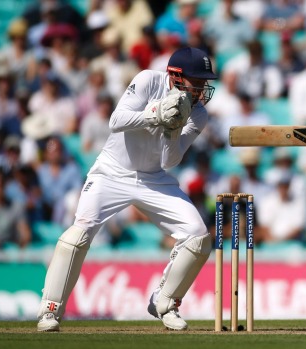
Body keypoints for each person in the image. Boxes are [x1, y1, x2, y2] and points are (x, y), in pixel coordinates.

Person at [36, 46, 218, 332]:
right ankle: (50, 310)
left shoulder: (199, 114)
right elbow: (116, 121)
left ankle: (165, 302)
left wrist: (172, 128)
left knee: (197, 237)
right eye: (198, 81)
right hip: (111, 172)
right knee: (79, 232)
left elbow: (170, 160)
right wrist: (155, 114)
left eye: (205, 82)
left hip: (154, 178)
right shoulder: (148, 80)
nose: (202, 88)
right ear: (176, 76)